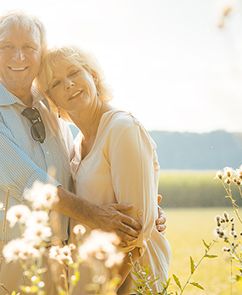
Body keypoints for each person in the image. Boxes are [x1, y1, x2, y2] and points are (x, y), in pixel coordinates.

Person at [0, 10, 166, 294]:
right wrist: (97, 214)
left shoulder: (52, 110)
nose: (19, 57)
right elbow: (26, 179)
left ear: (40, 55)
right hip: (1, 262)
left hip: (60, 266)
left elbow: (78, 181)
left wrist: (145, 204)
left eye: (29, 47)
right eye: (7, 47)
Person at [36, 45, 172, 294]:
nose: (68, 84)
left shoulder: (122, 128)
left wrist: (104, 290)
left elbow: (135, 234)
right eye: (56, 83)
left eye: (74, 72)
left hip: (130, 282)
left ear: (93, 76)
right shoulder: (77, 144)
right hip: (97, 280)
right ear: (52, 99)